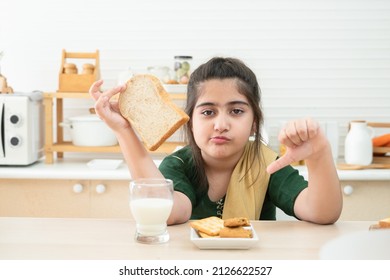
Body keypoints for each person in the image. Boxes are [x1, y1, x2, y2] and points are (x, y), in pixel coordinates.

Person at [90, 57, 342, 225]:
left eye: (236, 111)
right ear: (190, 121)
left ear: (255, 122)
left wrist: (319, 155)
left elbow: (323, 213)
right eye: (208, 112)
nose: (221, 124)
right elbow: (170, 212)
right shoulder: (179, 164)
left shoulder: (266, 164)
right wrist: (124, 131)